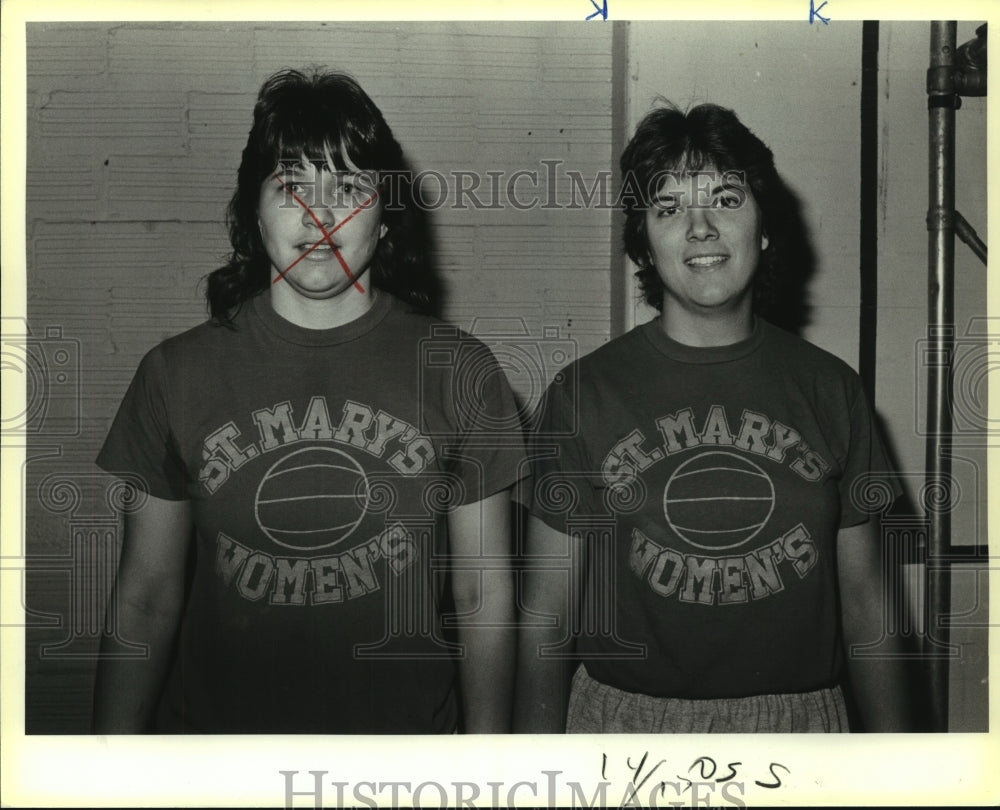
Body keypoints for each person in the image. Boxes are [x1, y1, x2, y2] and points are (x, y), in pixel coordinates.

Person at [93, 68, 522, 734]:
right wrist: (105, 773)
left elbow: (482, 595)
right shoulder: (174, 375)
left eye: (349, 188)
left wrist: (493, 772)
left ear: (385, 219)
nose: (319, 215)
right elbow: (144, 599)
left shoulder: (461, 371)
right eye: (291, 186)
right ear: (253, 212)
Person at [514, 102, 911, 733]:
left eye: (725, 199)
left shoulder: (832, 389)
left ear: (764, 227)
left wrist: (903, 775)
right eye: (668, 208)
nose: (699, 227)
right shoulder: (582, 392)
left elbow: (867, 607)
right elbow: (546, 617)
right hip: (624, 729)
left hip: (799, 731)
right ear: (643, 240)